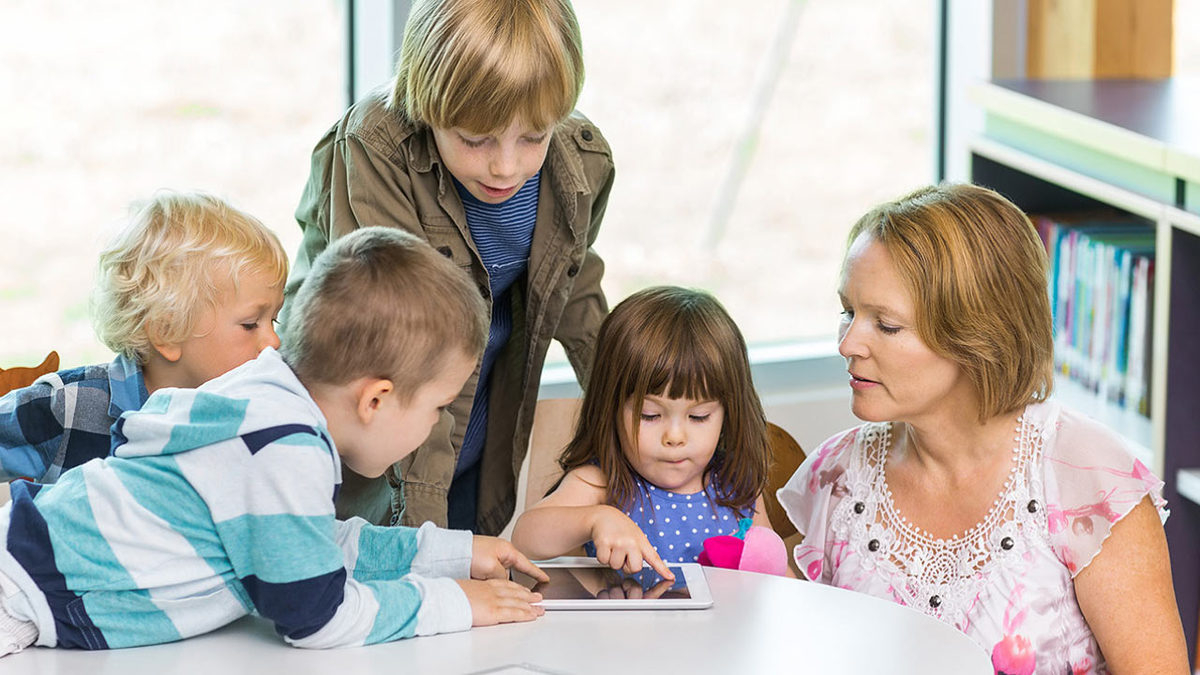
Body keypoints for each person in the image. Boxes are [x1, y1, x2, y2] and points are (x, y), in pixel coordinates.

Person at [0, 227, 547, 657]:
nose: (436, 425)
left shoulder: (269, 401)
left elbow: (307, 545)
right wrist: (454, 604)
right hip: (20, 595)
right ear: (375, 399)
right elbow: (316, 616)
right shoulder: (283, 443)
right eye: (436, 407)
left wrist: (448, 553)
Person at [777, 184, 1189, 673]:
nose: (848, 344)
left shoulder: (1086, 480)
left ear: (975, 335)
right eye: (848, 311)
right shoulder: (838, 475)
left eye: (885, 325)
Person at [284, 0, 615, 535]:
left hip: (469, 442)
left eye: (533, 136)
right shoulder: (374, 152)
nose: (506, 166)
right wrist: (431, 555)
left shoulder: (580, 163)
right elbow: (396, 350)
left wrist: (634, 428)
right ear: (426, 101)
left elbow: (578, 298)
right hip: (363, 463)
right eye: (475, 139)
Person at [0, 191, 288, 484]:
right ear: (166, 332)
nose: (274, 341)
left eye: (274, 319)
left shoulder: (253, 416)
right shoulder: (70, 405)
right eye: (251, 324)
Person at [511, 286, 772, 581]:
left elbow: (775, 573)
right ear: (611, 408)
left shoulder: (736, 483)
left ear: (728, 412)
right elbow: (527, 536)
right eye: (650, 415)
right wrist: (596, 519)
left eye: (699, 417)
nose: (674, 437)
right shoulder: (602, 482)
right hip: (630, 629)